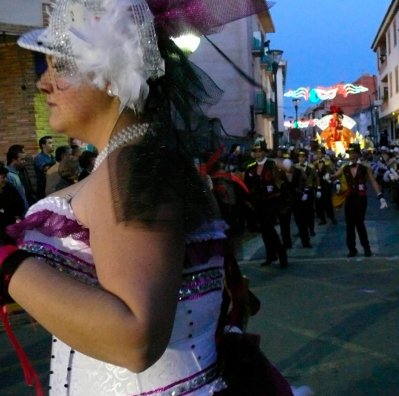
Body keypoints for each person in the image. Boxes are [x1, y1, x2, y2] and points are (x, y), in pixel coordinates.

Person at [1, 1, 275, 395]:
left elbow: (136, 337)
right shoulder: (137, 162)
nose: (43, 82)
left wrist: (8, 264)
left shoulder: (132, 168)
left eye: (59, 66)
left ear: (112, 74)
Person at [333, 143, 388, 257]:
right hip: (349, 198)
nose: (351, 156)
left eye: (353, 153)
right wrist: (328, 177)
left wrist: (380, 197)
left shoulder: (365, 168)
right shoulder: (345, 168)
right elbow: (335, 176)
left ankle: (366, 248)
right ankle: (352, 249)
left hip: (360, 198)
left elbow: (373, 181)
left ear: (358, 155)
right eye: (350, 154)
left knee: (359, 223)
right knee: (349, 225)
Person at [244, 140, 288, 268]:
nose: (258, 154)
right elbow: (247, 186)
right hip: (257, 203)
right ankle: (270, 255)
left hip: (271, 201)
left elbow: (280, 182)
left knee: (269, 228)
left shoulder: (272, 165)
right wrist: (249, 201)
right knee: (264, 230)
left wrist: (281, 198)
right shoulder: (250, 167)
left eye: (260, 151)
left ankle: (281, 254)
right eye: (256, 151)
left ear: (264, 152)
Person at [0, 165, 25, 242]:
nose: (5, 179)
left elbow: (20, 204)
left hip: (11, 227)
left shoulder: (10, 188)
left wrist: (17, 216)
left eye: (5, 177)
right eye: (3, 177)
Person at [5, 145, 30, 214]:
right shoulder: (8, 175)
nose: (24, 161)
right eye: (22, 159)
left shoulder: (21, 171)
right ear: (14, 160)